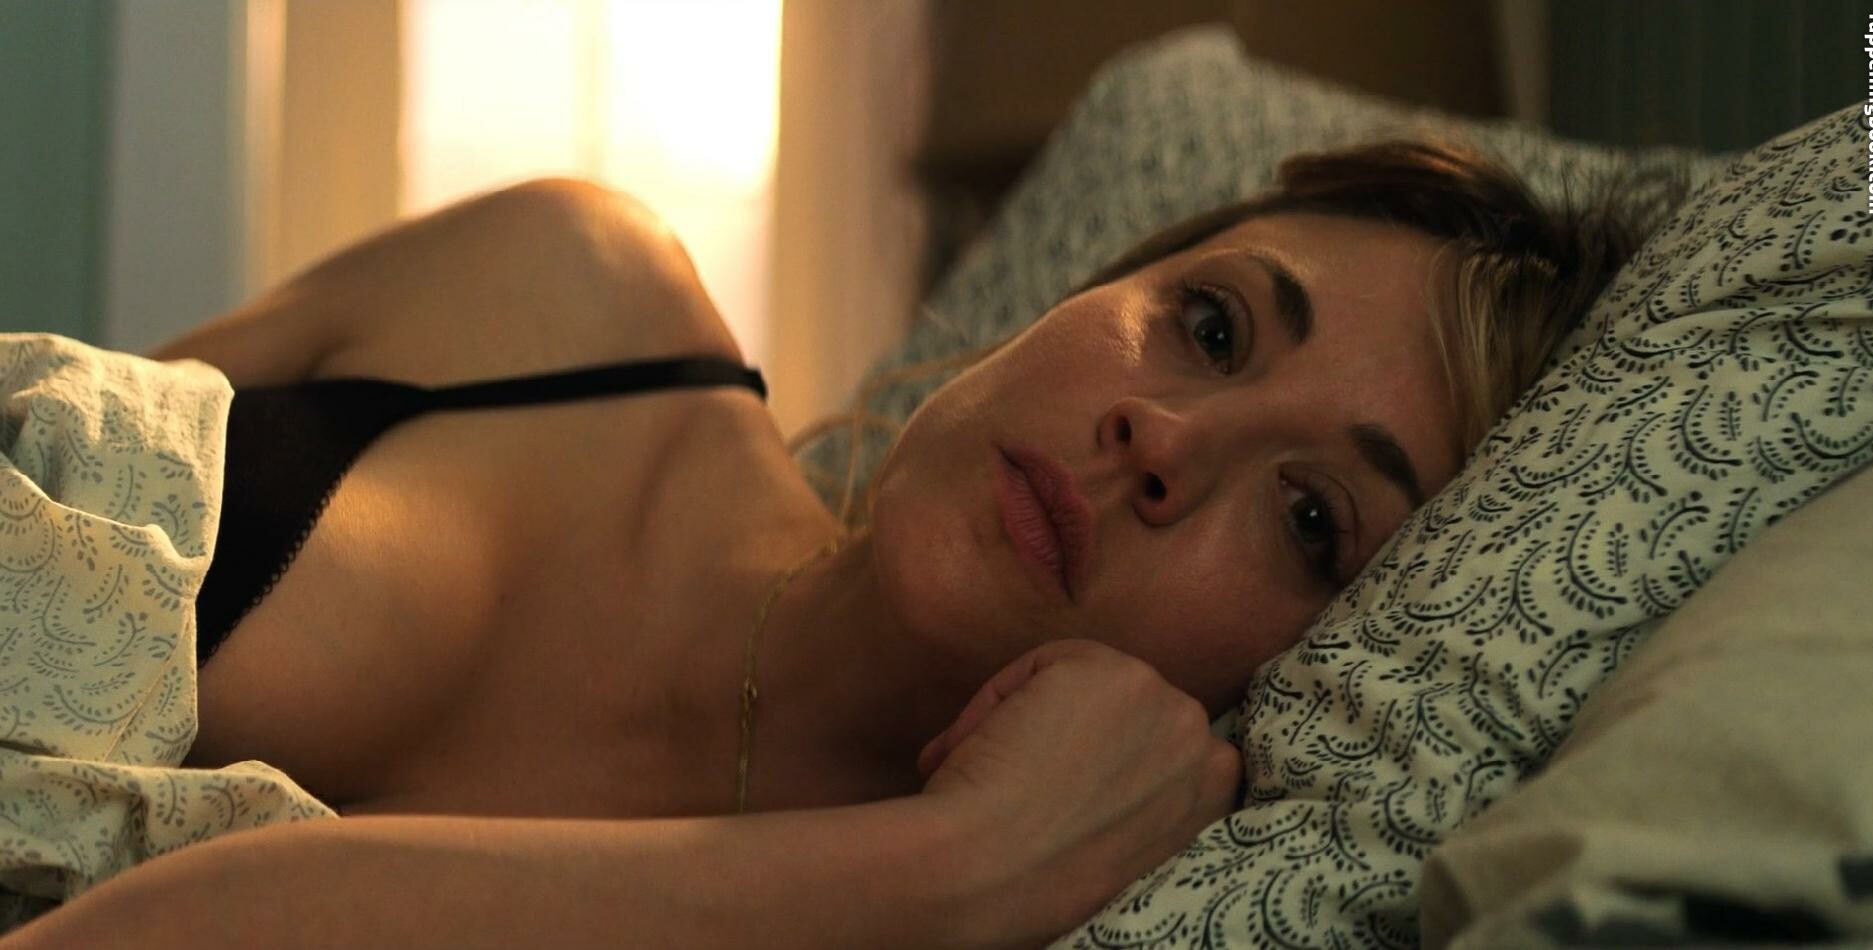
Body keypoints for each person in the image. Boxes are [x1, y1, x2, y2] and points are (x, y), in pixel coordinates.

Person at [0, 138, 1654, 949]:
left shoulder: (932, 912)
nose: (1168, 437)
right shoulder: (572, 290)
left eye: (1310, 519)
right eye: (1211, 326)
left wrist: (947, 870)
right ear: (1091, 294)